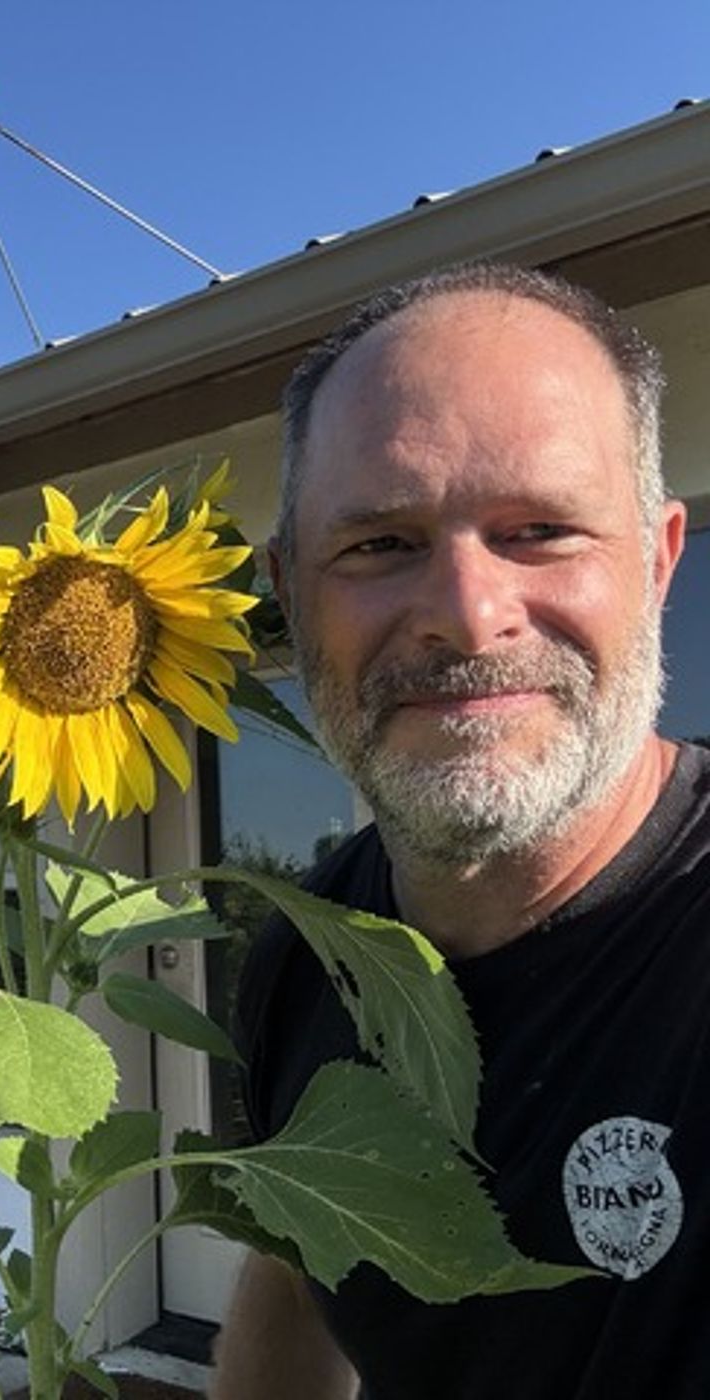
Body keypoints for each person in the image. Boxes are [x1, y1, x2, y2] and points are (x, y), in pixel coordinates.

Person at [210, 262, 710, 1399]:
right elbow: (292, 1274)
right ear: (290, 591)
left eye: (537, 529)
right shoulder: (304, 950)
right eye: (379, 544)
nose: (465, 613)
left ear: (657, 559)